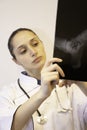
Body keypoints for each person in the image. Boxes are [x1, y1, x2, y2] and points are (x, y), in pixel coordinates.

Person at [0, 28, 87, 130]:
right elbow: (8, 126)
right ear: (16, 61)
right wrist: (42, 94)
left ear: (42, 44)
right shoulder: (8, 93)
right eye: (23, 51)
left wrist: (82, 84)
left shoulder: (70, 84)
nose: (33, 52)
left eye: (35, 44)